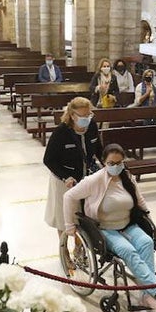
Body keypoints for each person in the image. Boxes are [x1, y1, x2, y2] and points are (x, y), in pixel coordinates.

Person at [63, 143, 156, 311]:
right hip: (104, 229)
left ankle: (146, 295)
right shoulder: (94, 180)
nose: (116, 167)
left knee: (146, 243)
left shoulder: (127, 177)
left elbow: (139, 200)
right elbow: (69, 196)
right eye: (111, 163)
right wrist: (69, 225)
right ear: (103, 162)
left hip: (127, 224)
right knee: (129, 251)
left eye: (119, 163)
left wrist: (149, 219)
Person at [43, 97, 101, 241]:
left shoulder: (92, 126)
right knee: (64, 218)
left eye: (89, 114)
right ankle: (64, 250)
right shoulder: (61, 132)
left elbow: (98, 149)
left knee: (82, 216)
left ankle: (79, 249)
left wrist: (109, 164)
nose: (87, 119)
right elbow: (49, 160)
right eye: (83, 116)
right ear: (72, 115)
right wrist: (65, 177)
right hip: (64, 179)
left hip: (86, 177)